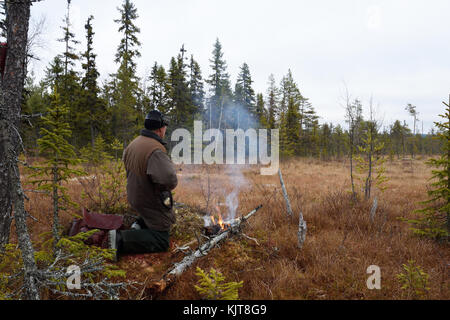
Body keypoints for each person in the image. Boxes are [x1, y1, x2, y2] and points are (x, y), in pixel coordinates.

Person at [108, 110, 178, 260]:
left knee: (151, 217)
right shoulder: (155, 149)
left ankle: (138, 226)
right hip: (148, 199)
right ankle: (120, 239)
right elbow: (169, 179)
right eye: (165, 127)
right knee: (162, 238)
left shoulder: (135, 143)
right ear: (160, 129)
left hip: (135, 196)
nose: (165, 129)